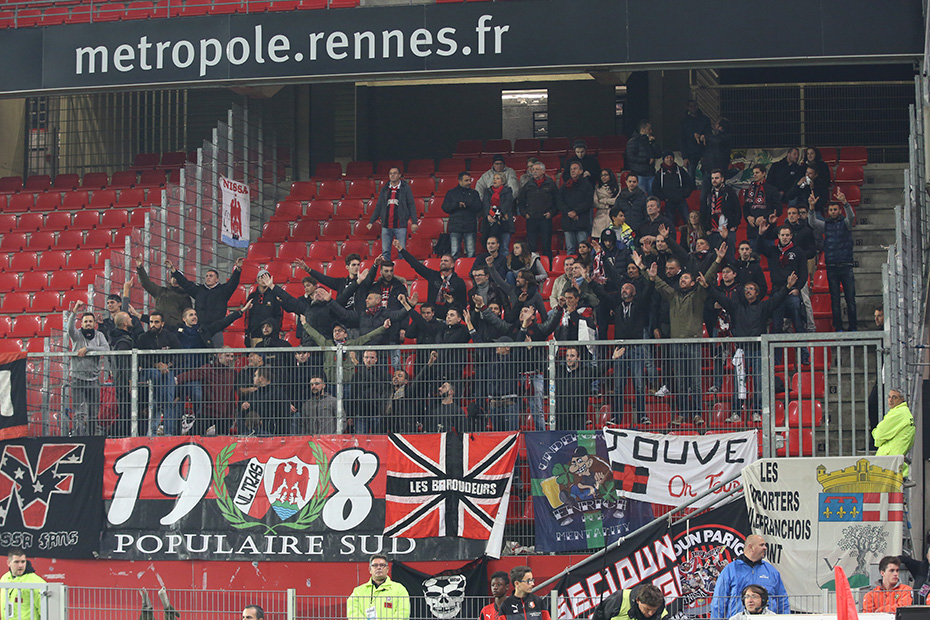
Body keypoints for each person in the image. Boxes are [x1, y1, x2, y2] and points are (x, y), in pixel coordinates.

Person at [648, 243, 726, 426]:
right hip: (676, 344)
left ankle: (697, 414)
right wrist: (648, 272)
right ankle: (682, 414)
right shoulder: (673, 296)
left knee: (696, 382)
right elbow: (660, 283)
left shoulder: (698, 296)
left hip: (693, 343)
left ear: (692, 283)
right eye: (681, 278)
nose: (682, 280)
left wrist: (718, 260)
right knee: (681, 383)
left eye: (686, 278)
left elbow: (707, 277)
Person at [168, 256, 243, 346]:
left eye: (211, 276)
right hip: (201, 330)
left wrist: (238, 270)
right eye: (206, 276)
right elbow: (186, 284)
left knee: (216, 353)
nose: (208, 278)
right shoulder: (199, 291)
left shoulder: (223, 291)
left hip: (216, 330)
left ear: (217, 279)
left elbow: (233, 283)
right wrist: (174, 271)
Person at [711, 535, 790, 620]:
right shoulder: (730, 570)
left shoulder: (772, 571)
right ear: (750, 547)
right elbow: (718, 602)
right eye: (761, 545)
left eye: (765, 545)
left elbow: (782, 601)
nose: (765, 548)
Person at [810, 191, 857, 331]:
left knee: (850, 299)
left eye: (835, 209)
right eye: (831, 210)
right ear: (828, 212)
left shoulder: (846, 223)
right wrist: (811, 207)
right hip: (831, 267)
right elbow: (812, 222)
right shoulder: (825, 225)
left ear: (839, 211)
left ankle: (853, 327)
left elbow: (851, 216)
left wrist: (845, 202)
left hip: (846, 265)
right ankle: (838, 328)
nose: (833, 212)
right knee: (835, 300)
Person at [64, 300, 110, 435]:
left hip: (93, 379)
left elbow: (106, 349)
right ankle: (79, 437)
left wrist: (88, 348)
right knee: (79, 413)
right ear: (81, 324)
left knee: (93, 413)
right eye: (85, 322)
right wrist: (75, 311)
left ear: (94, 323)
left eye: (90, 321)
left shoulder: (100, 335)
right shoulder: (77, 335)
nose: (88, 323)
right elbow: (69, 329)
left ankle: (92, 438)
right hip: (77, 378)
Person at [176, 349, 240, 436]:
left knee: (222, 439)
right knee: (194, 435)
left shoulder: (233, 374)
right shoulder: (208, 369)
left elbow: (240, 390)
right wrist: (176, 379)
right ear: (219, 355)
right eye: (227, 356)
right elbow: (192, 374)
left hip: (226, 414)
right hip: (208, 411)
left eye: (232, 356)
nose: (230, 359)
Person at [397, 241, 467, 318]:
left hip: (449, 318)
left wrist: (452, 302)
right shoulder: (433, 275)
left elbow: (462, 305)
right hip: (432, 318)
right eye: (441, 261)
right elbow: (416, 265)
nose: (442, 262)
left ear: (452, 265)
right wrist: (402, 250)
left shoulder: (459, 282)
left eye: (446, 261)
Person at [368, 167, 418, 260]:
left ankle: (402, 267)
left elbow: (411, 205)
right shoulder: (385, 189)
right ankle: (386, 268)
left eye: (394, 173)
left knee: (402, 251)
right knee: (385, 252)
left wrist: (414, 222)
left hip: (400, 225)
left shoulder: (405, 188)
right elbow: (379, 206)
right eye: (390, 173)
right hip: (386, 226)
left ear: (399, 175)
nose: (392, 175)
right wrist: (371, 221)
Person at [134, 255, 192, 327]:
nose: (175, 280)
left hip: (175, 330)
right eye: (173, 277)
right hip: (159, 328)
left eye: (178, 278)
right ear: (170, 279)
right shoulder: (160, 291)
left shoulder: (185, 297)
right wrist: (140, 268)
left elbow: (188, 317)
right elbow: (146, 284)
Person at [347, 555, 410, 620]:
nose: (379, 567)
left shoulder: (399, 589)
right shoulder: (358, 591)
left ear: (387, 569)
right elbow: (352, 612)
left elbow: (404, 613)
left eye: (382, 565)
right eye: (375, 565)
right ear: (370, 570)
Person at [518, 161, 558, 260]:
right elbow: (521, 201)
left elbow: (558, 201)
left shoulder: (550, 184)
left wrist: (551, 213)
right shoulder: (528, 185)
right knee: (531, 246)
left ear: (543, 171)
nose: (534, 171)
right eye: (533, 169)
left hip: (545, 219)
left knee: (546, 245)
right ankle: (532, 265)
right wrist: (525, 213)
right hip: (531, 219)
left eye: (537, 169)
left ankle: (548, 265)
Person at [872, 388, 916, 477]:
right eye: (889, 397)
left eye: (894, 397)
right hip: (894, 464)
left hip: (889, 465)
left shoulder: (899, 413)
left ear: (902, 399)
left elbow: (878, 435)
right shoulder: (904, 413)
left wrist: (875, 433)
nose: (890, 400)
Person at [442, 171, 483, 258]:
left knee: (471, 252)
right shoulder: (451, 193)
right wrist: (457, 205)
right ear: (459, 181)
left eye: (470, 180)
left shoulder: (474, 193)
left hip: (470, 226)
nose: (469, 182)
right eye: (466, 180)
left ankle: (470, 267)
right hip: (455, 226)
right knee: (454, 253)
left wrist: (468, 204)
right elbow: (445, 207)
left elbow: (479, 207)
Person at [558, 162, 594, 255]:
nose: (572, 171)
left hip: (582, 221)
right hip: (568, 222)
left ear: (581, 171)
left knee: (583, 249)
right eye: (571, 169)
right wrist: (569, 212)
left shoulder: (587, 185)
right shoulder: (565, 186)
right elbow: (560, 201)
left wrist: (576, 212)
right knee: (570, 249)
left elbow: (588, 202)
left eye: (575, 169)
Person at [0, 548, 45, 620]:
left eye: (23, 562)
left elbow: (45, 611)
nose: (20, 565)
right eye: (16, 562)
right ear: (8, 563)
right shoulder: (4, 578)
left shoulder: (37, 582)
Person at [653, 152, 694, 227]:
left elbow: (689, 183)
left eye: (671, 157)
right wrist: (664, 198)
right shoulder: (659, 173)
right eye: (667, 157)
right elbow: (655, 188)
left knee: (688, 219)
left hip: (681, 199)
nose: (669, 159)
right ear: (664, 159)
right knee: (670, 221)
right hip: (668, 201)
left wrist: (684, 194)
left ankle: (692, 232)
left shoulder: (680, 170)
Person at [742, 164, 781, 241]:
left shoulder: (772, 190)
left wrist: (764, 217)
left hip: (768, 230)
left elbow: (778, 209)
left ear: (763, 173)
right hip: (752, 230)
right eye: (753, 173)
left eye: (757, 172)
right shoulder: (749, 190)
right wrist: (748, 217)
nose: (754, 175)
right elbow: (745, 207)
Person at [244, 270, 283, 347]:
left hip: (271, 337)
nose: (264, 280)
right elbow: (247, 316)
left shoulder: (274, 296)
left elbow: (279, 315)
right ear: (257, 279)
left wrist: (275, 331)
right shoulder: (252, 296)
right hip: (255, 335)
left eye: (266, 277)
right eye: (262, 277)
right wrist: (247, 333)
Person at [592, 583, 667, 620]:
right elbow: (598, 616)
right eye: (647, 609)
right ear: (638, 600)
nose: (651, 613)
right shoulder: (618, 599)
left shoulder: (662, 614)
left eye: (654, 610)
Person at [481, 173, 516, 253]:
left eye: (497, 178)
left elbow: (507, 204)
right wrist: (488, 215)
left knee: (504, 246)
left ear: (502, 181)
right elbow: (486, 204)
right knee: (491, 246)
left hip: (504, 221)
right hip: (490, 222)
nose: (494, 180)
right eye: (494, 178)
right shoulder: (488, 191)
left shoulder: (508, 191)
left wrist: (498, 213)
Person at [680, 99, 712, 181]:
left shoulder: (705, 120)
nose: (693, 108)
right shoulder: (684, 122)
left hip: (704, 151)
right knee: (691, 173)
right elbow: (682, 140)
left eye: (694, 105)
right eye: (690, 106)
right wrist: (685, 157)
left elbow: (710, 135)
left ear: (697, 106)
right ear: (687, 107)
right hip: (691, 152)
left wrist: (704, 137)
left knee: (707, 173)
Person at [626, 120, 660, 195]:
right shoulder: (633, 141)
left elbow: (658, 154)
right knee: (641, 196)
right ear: (643, 129)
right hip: (639, 174)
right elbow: (631, 157)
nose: (651, 131)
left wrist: (653, 143)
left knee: (653, 196)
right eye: (649, 129)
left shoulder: (650, 141)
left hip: (651, 173)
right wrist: (646, 160)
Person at [592, 168, 620, 238]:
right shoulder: (597, 188)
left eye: (605, 175)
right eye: (601, 175)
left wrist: (603, 200)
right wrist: (607, 205)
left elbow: (616, 201)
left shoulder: (617, 187)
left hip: (612, 215)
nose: (603, 177)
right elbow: (595, 203)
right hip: (600, 215)